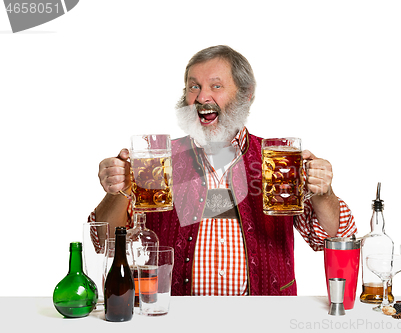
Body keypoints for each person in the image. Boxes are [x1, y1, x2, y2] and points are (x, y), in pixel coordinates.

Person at [90, 45, 357, 296]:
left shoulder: (279, 161)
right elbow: (104, 242)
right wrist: (119, 190)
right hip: (172, 318)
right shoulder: (157, 160)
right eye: (194, 86)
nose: (202, 97)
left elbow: (336, 237)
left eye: (215, 86)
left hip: (267, 318)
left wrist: (323, 192)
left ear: (246, 94)